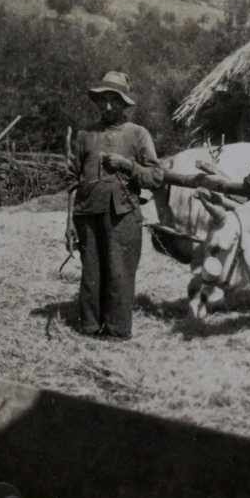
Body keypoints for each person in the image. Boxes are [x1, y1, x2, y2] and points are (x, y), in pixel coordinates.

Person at [66, 71, 165, 340]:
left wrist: (127, 165)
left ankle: (117, 330)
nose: (108, 106)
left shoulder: (138, 134)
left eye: (114, 100)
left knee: (119, 273)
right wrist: (69, 224)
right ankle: (89, 327)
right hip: (87, 213)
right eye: (103, 100)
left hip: (123, 213)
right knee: (91, 273)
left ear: (124, 104)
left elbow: (156, 177)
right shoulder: (85, 134)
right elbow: (72, 180)